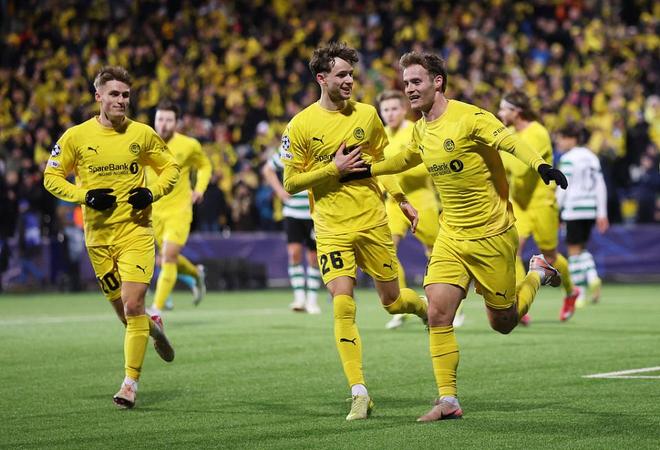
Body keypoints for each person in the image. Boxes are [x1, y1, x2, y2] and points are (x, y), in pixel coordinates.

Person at [369, 52, 568, 421]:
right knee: (438, 312)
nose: (409, 89)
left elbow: (508, 141)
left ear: (437, 82)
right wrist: (365, 168)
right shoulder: (421, 129)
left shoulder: (470, 117)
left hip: (492, 233)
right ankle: (448, 400)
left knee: (502, 322)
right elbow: (404, 160)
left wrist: (541, 165)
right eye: (406, 83)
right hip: (451, 234)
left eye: (416, 81)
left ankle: (537, 273)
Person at [281, 42, 428, 421]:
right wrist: (333, 169)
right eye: (342, 75)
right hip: (331, 228)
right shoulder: (300, 125)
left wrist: (400, 199)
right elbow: (290, 183)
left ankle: (420, 308)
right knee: (343, 304)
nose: (349, 81)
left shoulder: (367, 115)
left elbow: (382, 162)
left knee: (392, 302)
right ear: (322, 78)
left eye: (351, 74)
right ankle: (359, 391)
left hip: (372, 222)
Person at [43, 66, 180, 409]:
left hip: (136, 232)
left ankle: (130, 383)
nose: (121, 100)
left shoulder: (142, 134)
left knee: (133, 306)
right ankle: (154, 329)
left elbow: (171, 168)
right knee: (125, 315)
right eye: (114, 94)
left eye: (126, 95)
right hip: (99, 239)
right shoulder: (76, 136)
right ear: (98, 97)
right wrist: (84, 196)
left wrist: (151, 193)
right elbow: (51, 176)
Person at [497, 90, 581, 323]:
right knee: (513, 250)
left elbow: (521, 168)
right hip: (519, 203)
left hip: (542, 202)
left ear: (517, 111)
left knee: (551, 256)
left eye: (503, 108)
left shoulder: (538, 133)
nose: (499, 113)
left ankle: (570, 291)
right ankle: (518, 301)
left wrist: (501, 154)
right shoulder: (510, 133)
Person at [375, 90, 446, 329]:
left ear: (404, 109)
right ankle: (402, 304)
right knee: (387, 251)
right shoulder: (381, 135)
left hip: (421, 199)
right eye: (386, 110)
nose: (390, 114)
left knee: (436, 253)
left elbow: (428, 164)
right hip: (394, 202)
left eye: (394, 108)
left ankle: (450, 306)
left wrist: (398, 167)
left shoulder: (417, 130)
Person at [146, 100, 212, 316]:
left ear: (176, 123)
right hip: (154, 212)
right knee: (167, 258)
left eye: (168, 120)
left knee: (167, 257)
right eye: (160, 119)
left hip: (179, 210)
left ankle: (156, 309)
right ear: (155, 120)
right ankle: (196, 274)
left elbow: (204, 165)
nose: (163, 124)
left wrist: (199, 188)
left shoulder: (189, 145)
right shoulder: (144, 143)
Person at [555, 123, 609, 308]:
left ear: (572, 139)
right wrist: (602, 212)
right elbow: (600, 185)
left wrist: (556, 209)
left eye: (562, 139)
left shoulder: (568, 158)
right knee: (581, 248)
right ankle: (590, 280)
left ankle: (582, 289)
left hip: (573, 207)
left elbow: (563, 186)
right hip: (590, 208)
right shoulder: (592, 157)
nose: (559, 143)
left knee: (573, 252)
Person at [262, 147, 322, 314]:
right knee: (294, 253)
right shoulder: (288, 148)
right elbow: (267, 169)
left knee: (314, 257)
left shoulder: (317, 146)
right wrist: (280, 191)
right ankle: (299, 298)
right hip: (292, 211)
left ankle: (312, 300)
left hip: (314, 212)